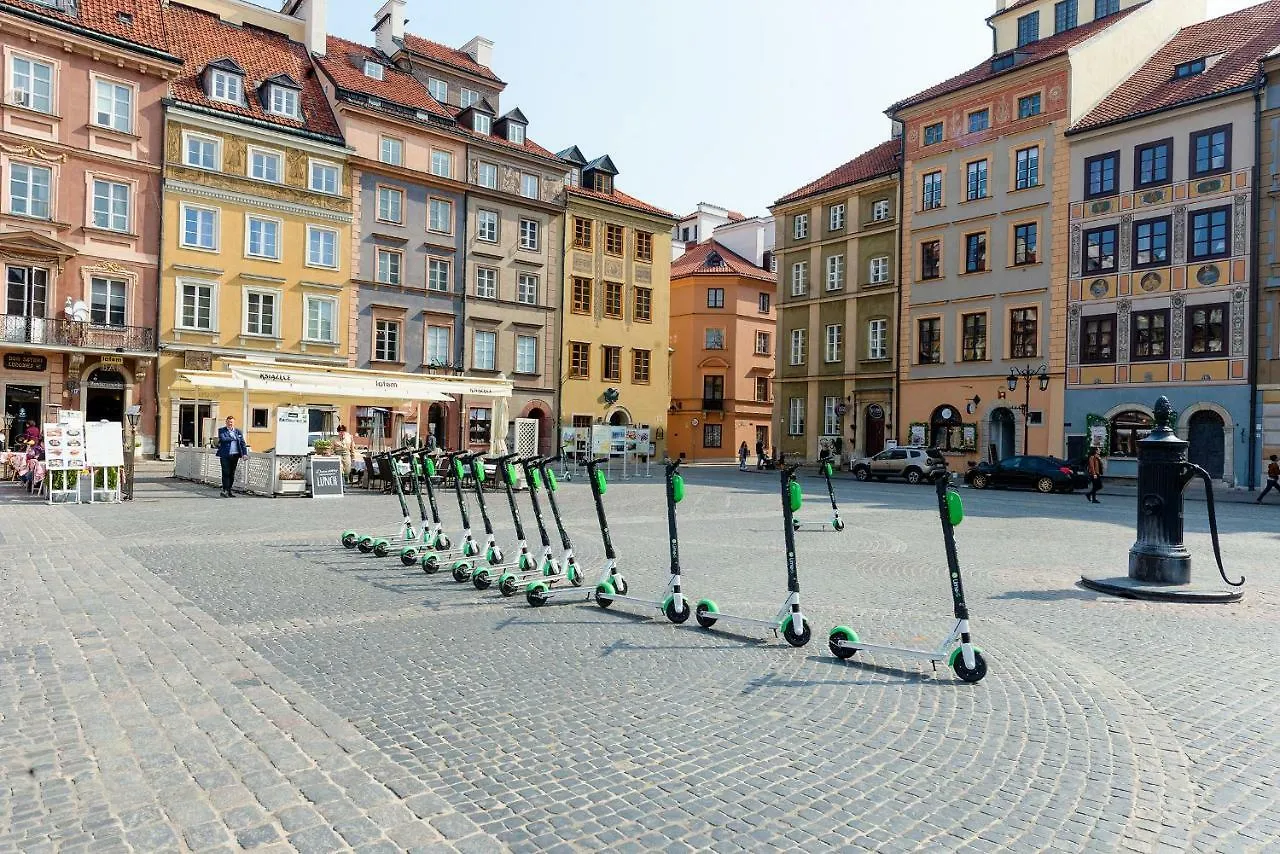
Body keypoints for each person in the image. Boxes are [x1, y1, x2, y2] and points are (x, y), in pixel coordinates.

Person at [215, 416, 248, 497]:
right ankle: (225, 490)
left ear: (234, 423)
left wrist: (244, 453)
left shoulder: (238, 431)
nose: (230, 423)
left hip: (235, 455)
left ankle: (229, 490)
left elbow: (242, 443)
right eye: (229, 422)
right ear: (226, 422)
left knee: (231, 473)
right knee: (225, 472)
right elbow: (223, 439)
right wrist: (232, 438)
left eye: (232, 422)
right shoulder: (222, 430)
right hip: (225, 455)